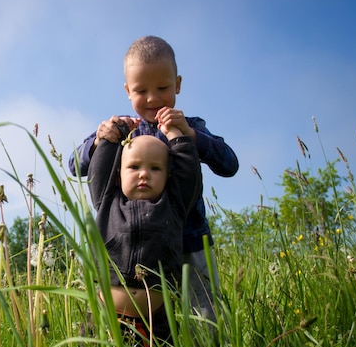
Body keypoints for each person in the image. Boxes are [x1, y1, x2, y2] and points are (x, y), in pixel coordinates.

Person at [70, 36, 239, 323]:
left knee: (203, 314)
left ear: (178, 84)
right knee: (150, 317)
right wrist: (98, 140)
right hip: (135, 246)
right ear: (127, 90)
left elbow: (229, 164)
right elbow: (75, 165)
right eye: (141, 90)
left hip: (189, 239)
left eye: (162, 88)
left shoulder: (190, 125)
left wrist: (191, 136)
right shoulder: (121, 129)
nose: (152, 98)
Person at [88, 119, 201, 347]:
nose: (144, 175)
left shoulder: (173, 205)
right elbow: (98, 171)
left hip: (156, 322)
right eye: (134, 167)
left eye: (155, 168)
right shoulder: (107, 202)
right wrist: (110, 138)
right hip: (106, 315)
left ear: (168, 176)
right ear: (118, 175)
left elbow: (189, 175)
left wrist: (176, 137)